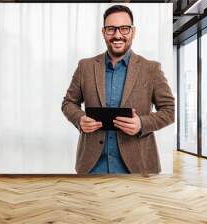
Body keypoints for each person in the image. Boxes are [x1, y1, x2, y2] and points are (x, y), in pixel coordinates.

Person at [61, 5, 175, 176]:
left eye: (124, 28)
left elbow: (169, 111)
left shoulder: (151, 69)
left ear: (133, 32)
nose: (117, 35)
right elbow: (68, 103)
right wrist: (80, 119)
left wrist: (142, 123)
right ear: (103, 32)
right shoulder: (85, 66)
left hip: (138, 165)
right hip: (92, 165)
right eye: (111, 29)